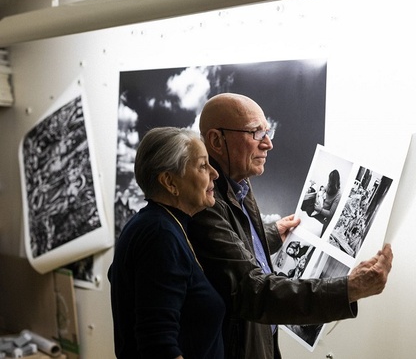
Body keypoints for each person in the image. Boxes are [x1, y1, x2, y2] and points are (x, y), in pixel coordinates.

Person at [188, 93, 393, 359]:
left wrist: (271, 235)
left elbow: (232, 252)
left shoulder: (239, 184)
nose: (268, 144)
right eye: (256, 133)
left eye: (267, 131)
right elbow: (252, 291)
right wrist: (347, 289)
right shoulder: (205, 202)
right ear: (217, 140)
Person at [108, 127, 225, 359]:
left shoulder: (155, 224)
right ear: (169, 181)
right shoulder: (160, 235)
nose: (214, 173)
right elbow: (158, 346)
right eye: (203, 165)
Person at [313, 169, 342, 236]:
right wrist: (320, 194)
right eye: (329, 181)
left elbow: (330, 214)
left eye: (330, 182)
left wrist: (320, 210)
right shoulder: (328, 185)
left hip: (324, 216)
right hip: (319, 208)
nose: (328, 184)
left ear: (335, 183)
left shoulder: (338, 195)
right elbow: (323, 190)